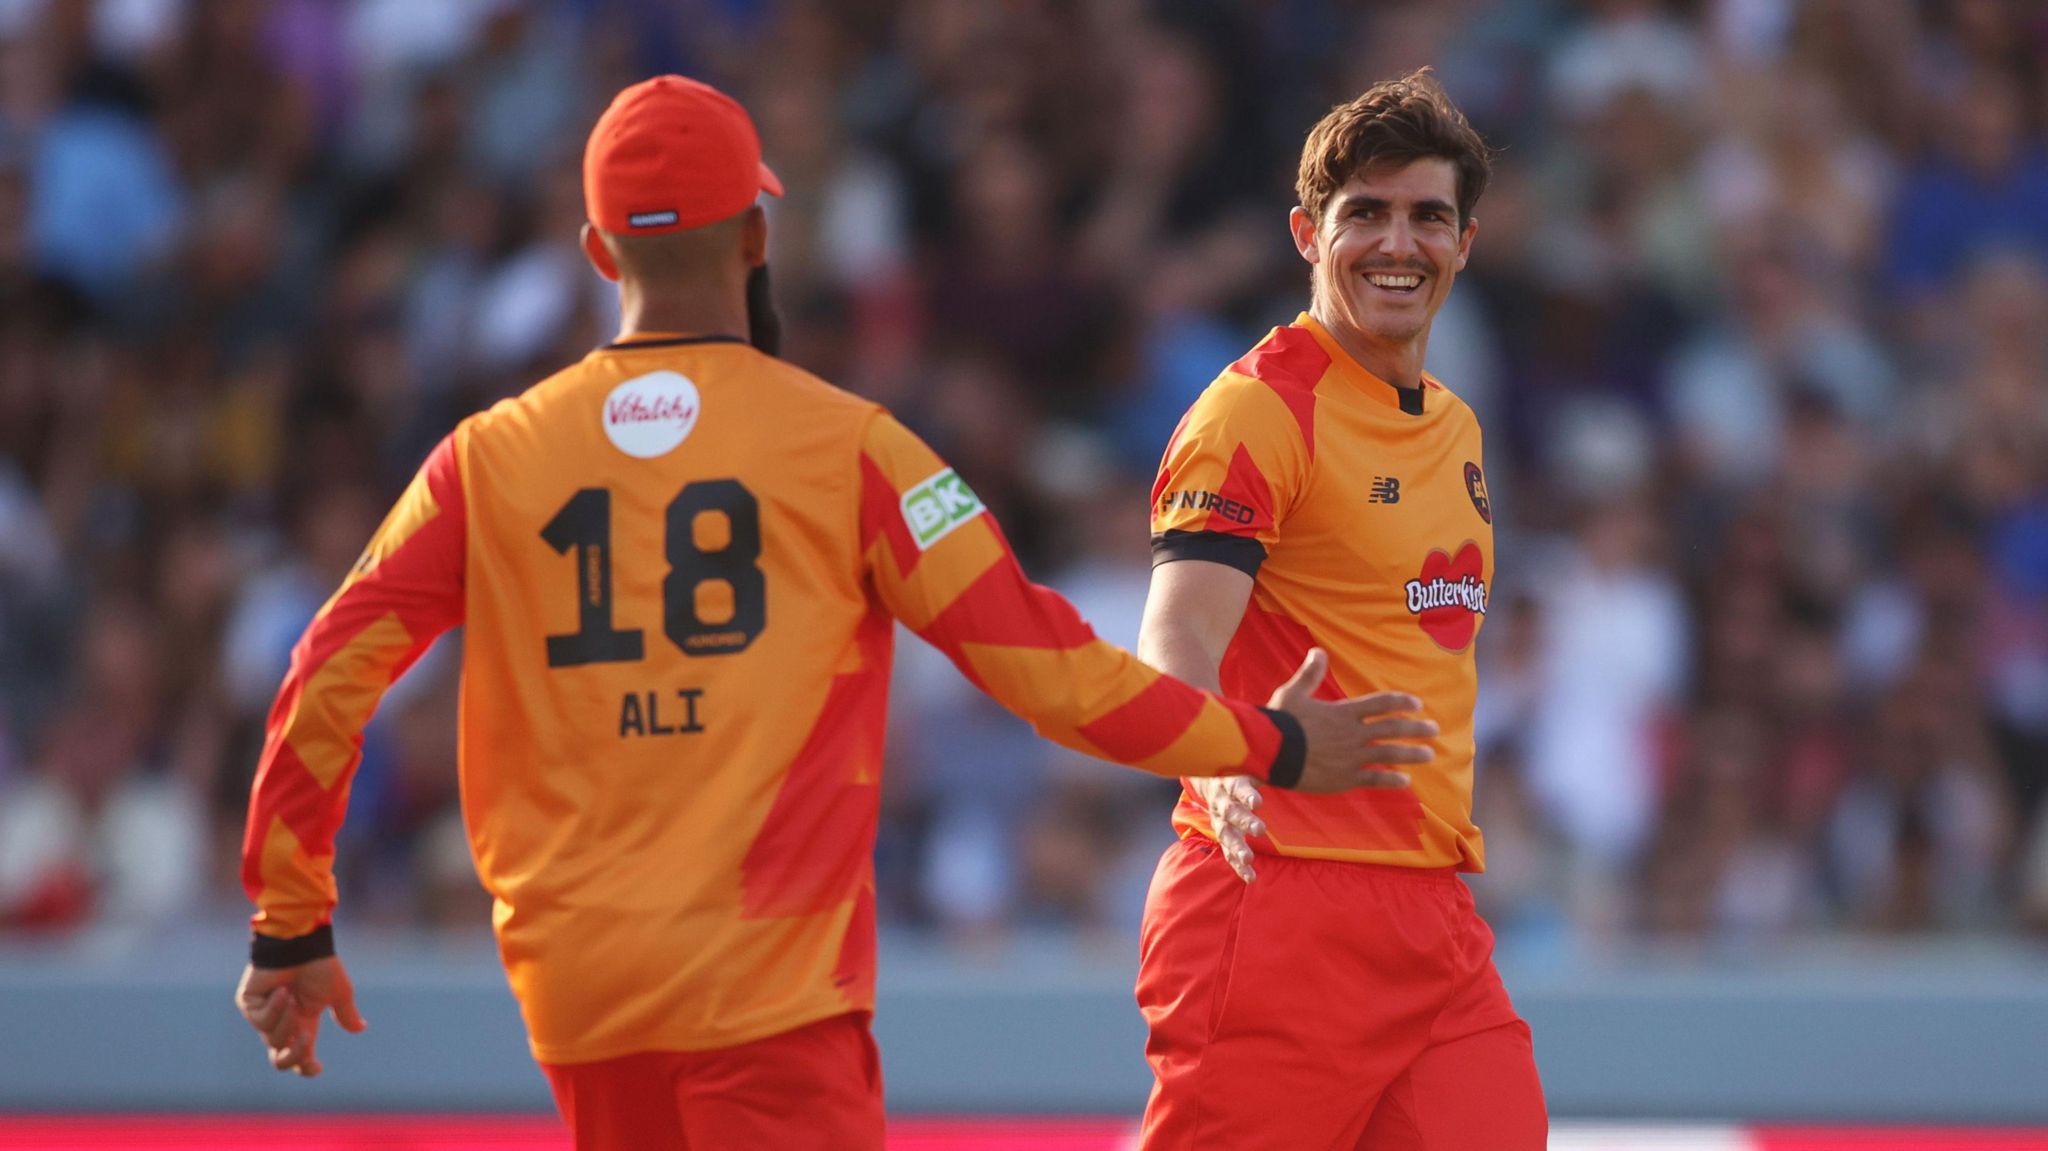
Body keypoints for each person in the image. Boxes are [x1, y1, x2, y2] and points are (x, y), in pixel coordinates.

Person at [230, 75, 1436, 1151]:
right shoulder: (849, 447)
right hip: (769, 997)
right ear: (759, 233)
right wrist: (1271, 744)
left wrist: (291, 920)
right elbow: (1051, 674)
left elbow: (331, 664)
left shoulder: (484, 459)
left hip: (579, 996)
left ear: (598, 254)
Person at [1133, 69, 1547, 1149]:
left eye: (1424, 216)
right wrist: (1219, 756)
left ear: (1465, 242)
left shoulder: (1452, 424)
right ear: (1305, 235)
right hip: (1274, 901)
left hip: (1430, 921)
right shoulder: (1258, 410)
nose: (1394, 243)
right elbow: (1174, 630)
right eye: (1362, 212)